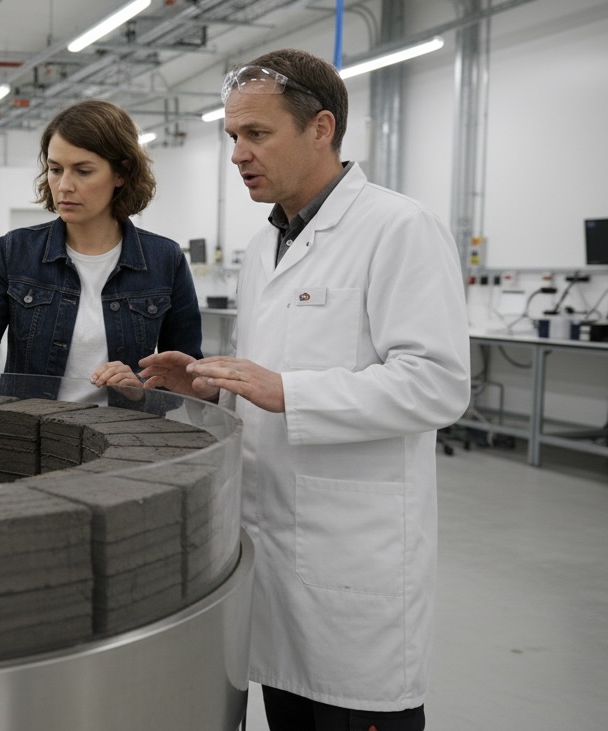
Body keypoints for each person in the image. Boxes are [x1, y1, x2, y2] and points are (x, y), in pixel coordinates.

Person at [139, 49, 470, 730]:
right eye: (231, 135)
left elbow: (437, 384)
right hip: (273, 551)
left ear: (320, 127)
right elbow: (269, 376)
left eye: (255, 134)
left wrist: (288, 390)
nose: (237, 153)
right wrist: (207, 385)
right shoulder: (266, 246)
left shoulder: (397, 227)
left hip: (353, 556)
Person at [0, 99, 201, 402]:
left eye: (83, 171)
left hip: (128, 437)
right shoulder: (15, 252)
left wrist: (140, 388)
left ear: (121, 173)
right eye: (55, 169)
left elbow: (182, 372)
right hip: (32, 433)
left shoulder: (165, 260)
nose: (64, 186)